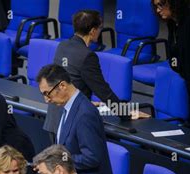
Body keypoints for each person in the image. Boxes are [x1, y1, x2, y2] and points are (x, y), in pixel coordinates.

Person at [44, 10, 148, 141]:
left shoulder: (62, 46)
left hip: (54, 119)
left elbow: (69, 80)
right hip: (71, 125)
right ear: (93, 31)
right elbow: (103, 90)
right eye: (100, 28)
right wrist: (126, 113)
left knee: (57, 160)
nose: (100, 31)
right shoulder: (87, 56)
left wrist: (85, 99)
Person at [37, 64, 117, 174]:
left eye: (47, 93)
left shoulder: (85, 113)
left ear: (62, 86)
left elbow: (92, 157)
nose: (46, 100)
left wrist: (59, 162)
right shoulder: (67, 107)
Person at [151, 0, 190, 127]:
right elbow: (174, 51)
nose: (158, 10)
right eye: (156, 6)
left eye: (161, 4)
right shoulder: (172, 23)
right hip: (186, 72)